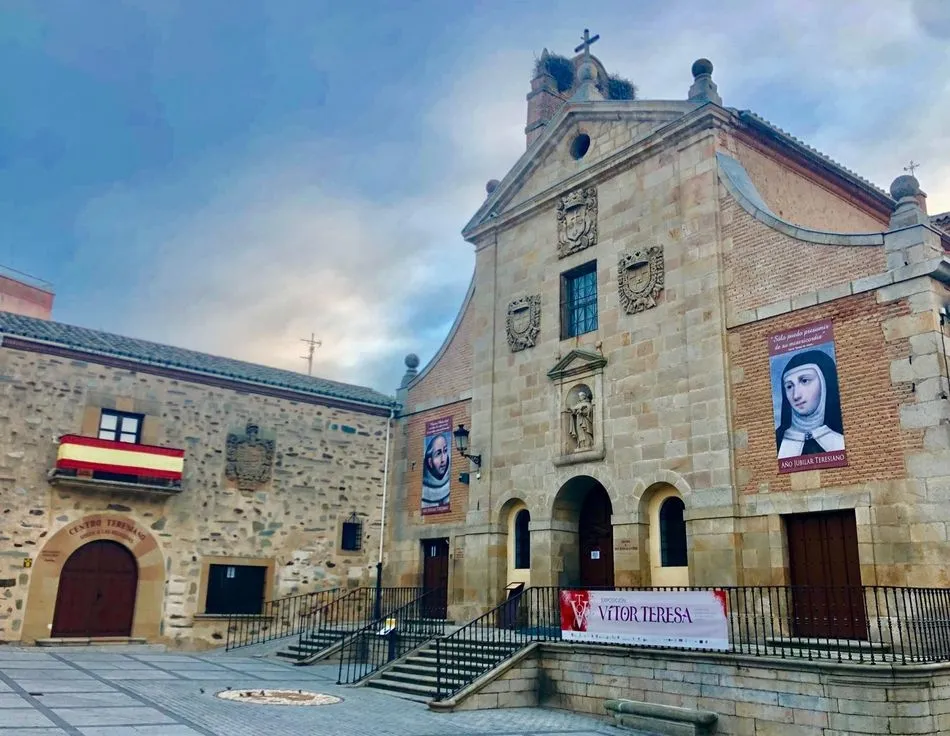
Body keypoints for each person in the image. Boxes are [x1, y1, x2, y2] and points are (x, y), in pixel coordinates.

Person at [775, 349, 845, 458]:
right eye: (789, 386)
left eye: (805, 381)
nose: (796, 395)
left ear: (824, 383)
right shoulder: (778, 441)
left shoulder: (843, 436)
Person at [422, 432, 450, 508]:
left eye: (445, 451)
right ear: (430, 462)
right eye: (438, 454)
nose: (443, 459)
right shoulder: (425, 491)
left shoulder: (448, 483)